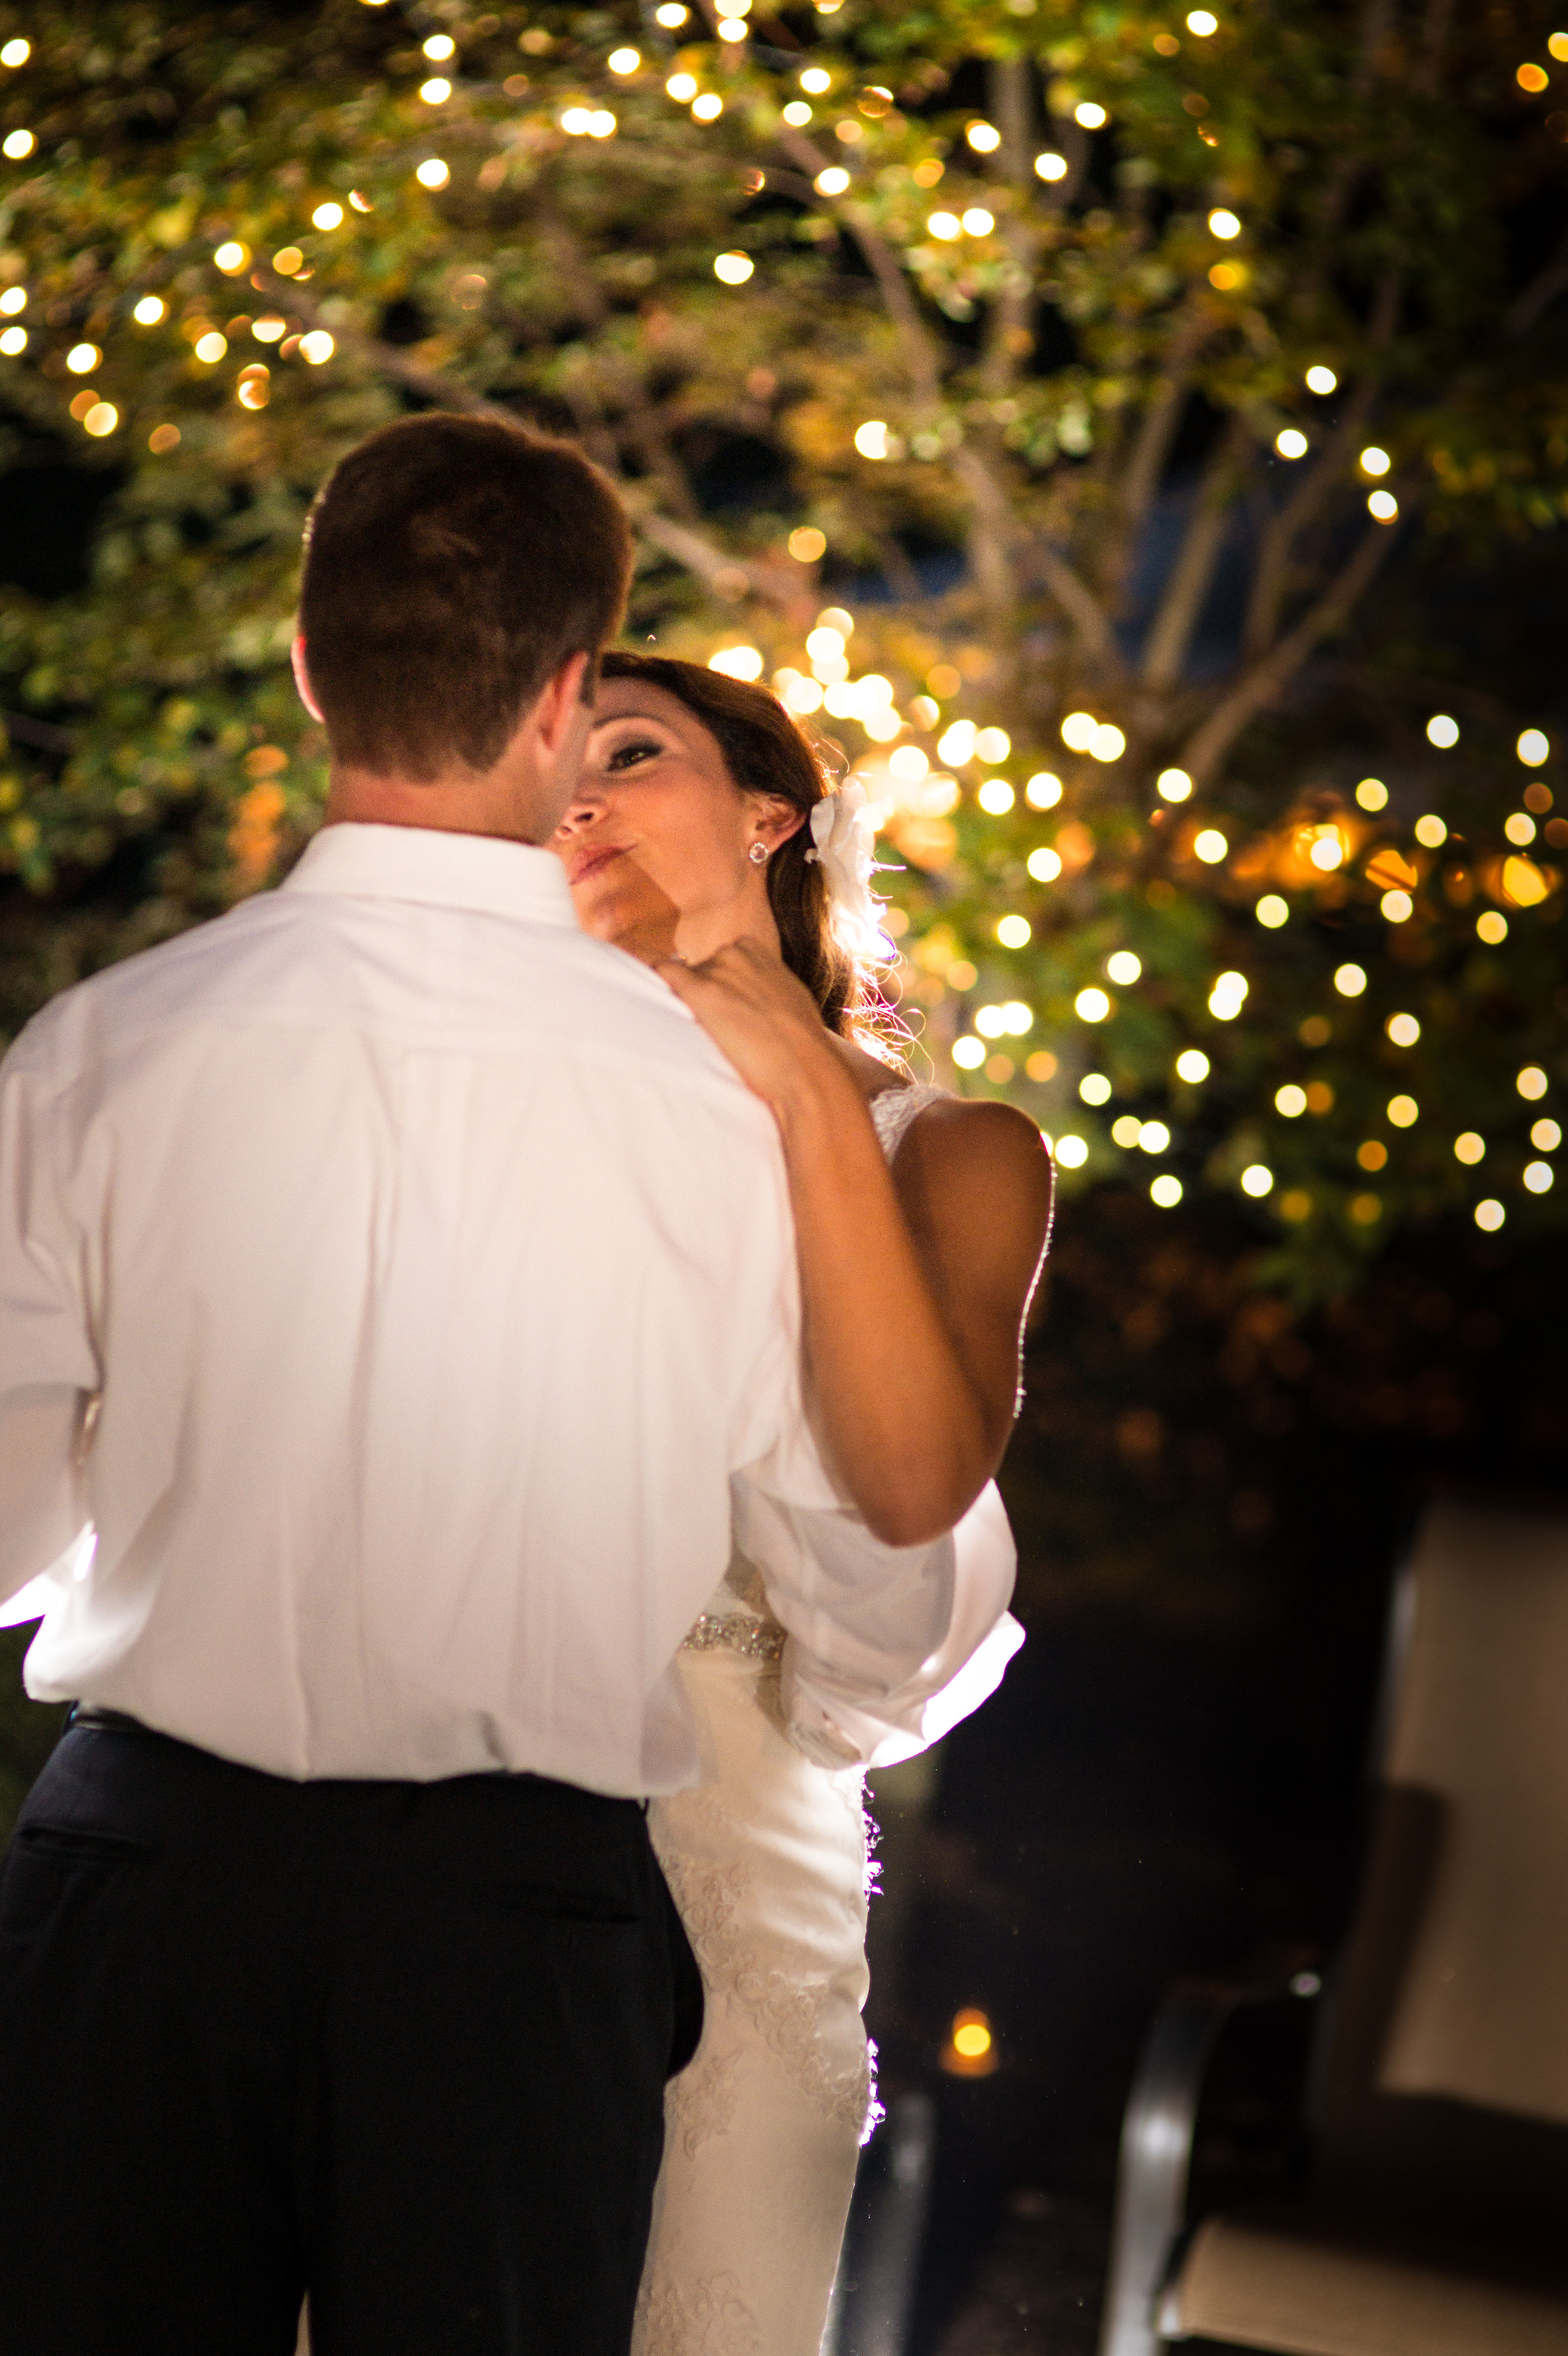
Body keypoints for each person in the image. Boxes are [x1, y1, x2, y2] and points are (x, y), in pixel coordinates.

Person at [0, 416, 989, 2356]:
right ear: (562, 692)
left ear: (306, 666)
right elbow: (880, 1581)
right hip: (508, 1923)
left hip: (137, 1884)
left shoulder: (96, 1051)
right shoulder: (737, 1118)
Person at [554, 653, 1054, 2356]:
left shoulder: (955, 1151)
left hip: (740, 1820)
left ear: (771, 819)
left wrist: (783, 1093)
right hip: (431, 1792)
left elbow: (906, 1541)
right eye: (545, 765)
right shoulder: (484, 1109)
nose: (580, 796)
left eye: (629, 753)